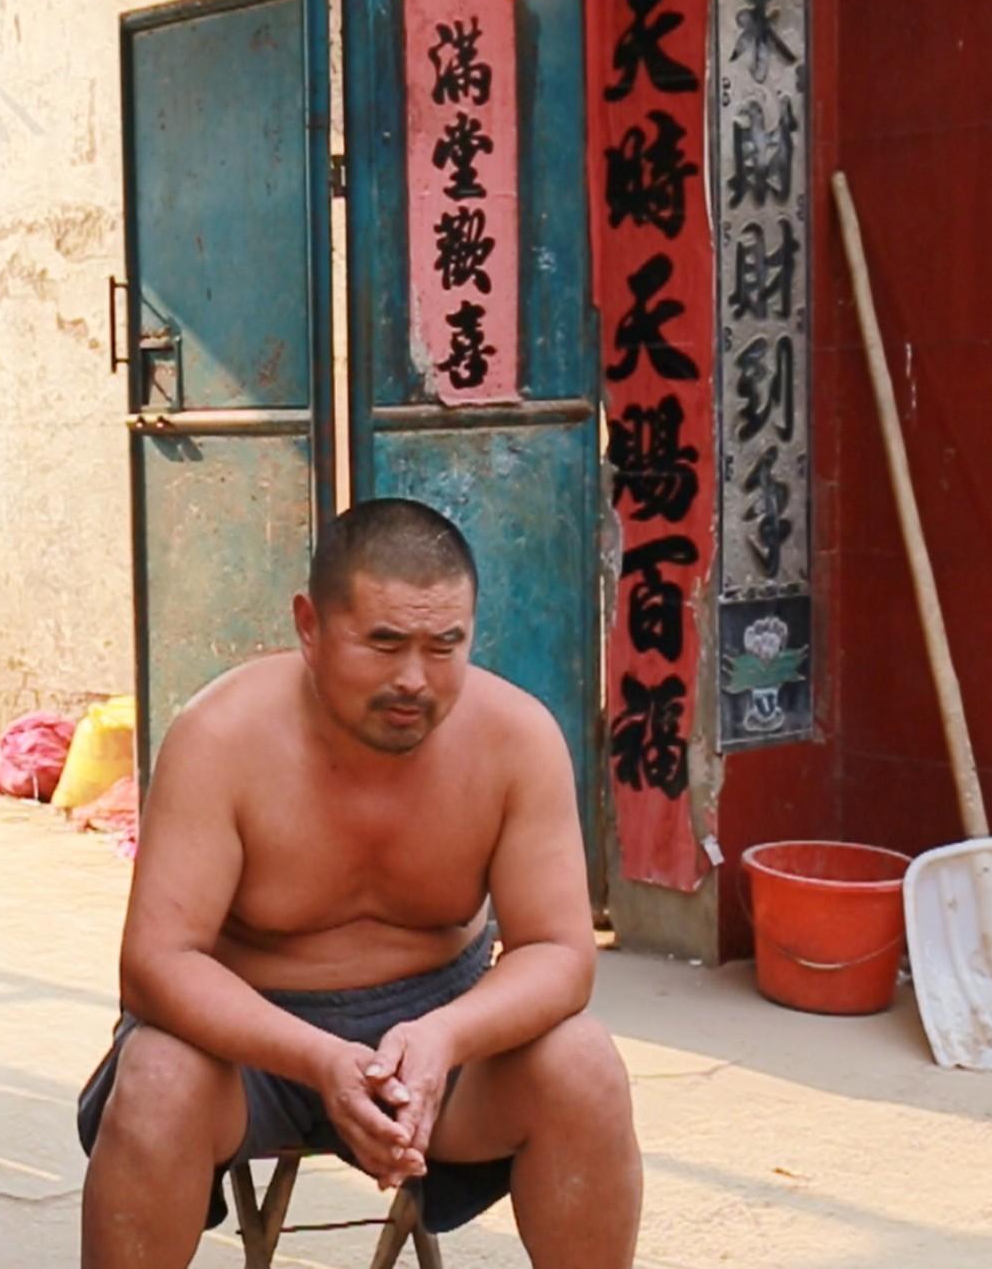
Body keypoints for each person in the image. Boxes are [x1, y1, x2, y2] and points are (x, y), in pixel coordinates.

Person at [77, 498, 641, 1269]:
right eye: (383, 643)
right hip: (252, 1041)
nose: (415, 679)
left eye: (446, 646)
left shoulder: (517, 739)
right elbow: (156, 964)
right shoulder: (221, 735)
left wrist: (445, 1036)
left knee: (584, 1063)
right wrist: (316, 1057)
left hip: (438, 1033)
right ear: (309, 626)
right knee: (157, 1076)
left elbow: (562, 953)